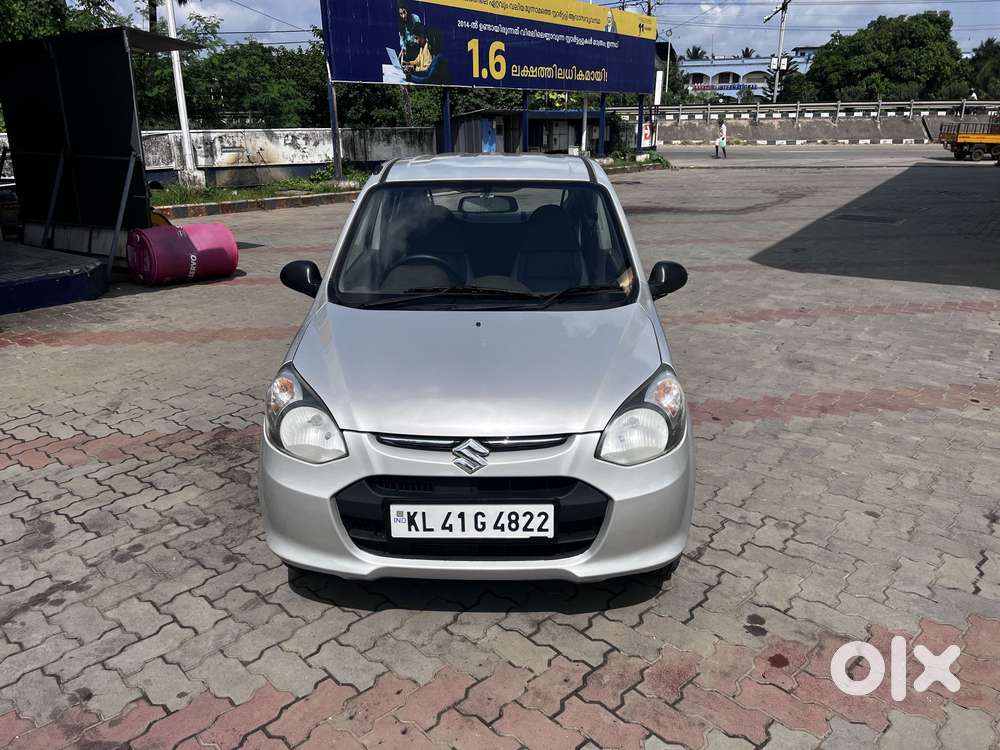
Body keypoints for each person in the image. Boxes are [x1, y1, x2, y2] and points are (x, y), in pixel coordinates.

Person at [397, 0, 424, 66]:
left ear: (407, 11)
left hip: (417, 48)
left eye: (404, 12)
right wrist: (403, 48)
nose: (403, 16)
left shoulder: (415, 18)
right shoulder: (401, 23)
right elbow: (402, 38)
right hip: (408, 49)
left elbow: (420, 33)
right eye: (401, 14)